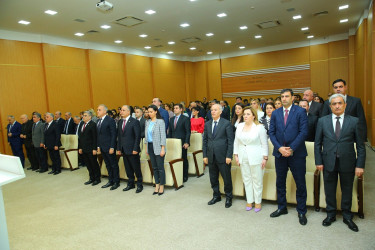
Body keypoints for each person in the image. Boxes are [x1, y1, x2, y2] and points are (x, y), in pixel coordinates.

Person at [315, 93, 366, 232]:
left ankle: (347, 216)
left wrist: (360, 165)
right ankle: (330, 214)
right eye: (334, 104)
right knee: (329, 190)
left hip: (348, 162)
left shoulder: (354, 121)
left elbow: (361, 146)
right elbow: (317, 143)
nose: (337, 106)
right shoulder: (323, 121)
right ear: (330, 106)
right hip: (328, 161)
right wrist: (318, 161)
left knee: (347, 190)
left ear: (345, 105)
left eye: (340, 103)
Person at [269, 89, 308, 225]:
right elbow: (271, 133)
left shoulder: (300, 112)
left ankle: (301, 211)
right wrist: (280, 148)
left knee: (300, 183)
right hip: (280, 153)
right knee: (280, 182)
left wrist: (291, 149)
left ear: (292, 98)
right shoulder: (275, 113)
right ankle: (282, 207)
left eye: (287, 96)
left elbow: (303, 132)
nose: (284, 99)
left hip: (296, 153)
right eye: (282, 97)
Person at [234, 107, 268, 212]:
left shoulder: (259, 127)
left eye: (248, 114)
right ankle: (249, 200)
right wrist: (236, 155)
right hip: (242, 156)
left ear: (253, 116)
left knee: (257, 180)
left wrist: (265, 158)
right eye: (244, 114)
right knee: (246, 179)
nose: (245, 116)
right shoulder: (239, 126)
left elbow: (264, 144)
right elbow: (236, 142)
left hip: (256, 157)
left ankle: (258, 201)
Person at [203, 104, 234, 208]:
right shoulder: (207, 124)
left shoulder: (226, 123)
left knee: (226, 178)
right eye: (211, 110)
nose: (213, 112)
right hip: (211, 156)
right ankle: (216, 196)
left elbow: (230, 141)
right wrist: (205, 155)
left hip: (223, 156)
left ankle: (229, 197)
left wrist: (229, 155)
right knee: (213, 177)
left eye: (215, 110)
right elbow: (205, 141)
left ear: (220, 112)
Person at [116, 105, 143, 193]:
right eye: (121, 110)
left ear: (128, 112)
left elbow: (137, 136)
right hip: (124, 149)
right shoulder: (120, 122)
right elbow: (119, 136)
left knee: (136, 168)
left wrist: (135, 148)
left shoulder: (134, 122)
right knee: (128, 168)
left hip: (133, 149)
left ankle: (139, 184)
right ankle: (131, 183)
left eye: (123, 110)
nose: (121, 112)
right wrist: (119, 148)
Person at [97, 104, 120, 190]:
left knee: (113, 164)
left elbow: (113, 134)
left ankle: (116, 181)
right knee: (107, 164)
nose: (97, 111)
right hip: (102, 147)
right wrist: (98, 146)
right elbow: (98, 135)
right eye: (97, 110)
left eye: (99, 110)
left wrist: (112, 147)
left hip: (109, 147)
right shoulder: (99, 121)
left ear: (105, 111)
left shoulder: (110, 120)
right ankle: (111, 180)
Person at [145, 105, 167, 195]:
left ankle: (162, 186)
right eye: (148, 112)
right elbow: (146, 137)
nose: (149, 113)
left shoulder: (160, 122)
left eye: (151, 112)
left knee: (160, 168)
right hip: (150, 146)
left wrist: (163, 149)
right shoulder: (148, 122)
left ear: (155, 112)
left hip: (158, 146)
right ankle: (156, 184)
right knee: (154, 167)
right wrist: (146, 148)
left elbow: (163, 136)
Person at [168, 104, 191, 182]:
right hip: (174, 142)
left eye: (177, 108)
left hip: (182, 142)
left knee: (183, 159)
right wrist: (169, 141)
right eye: (174, 108)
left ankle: (185, 175)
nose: (175, 109)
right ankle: (177, 174)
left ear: (181, 109)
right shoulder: (171, 119)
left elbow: (188, 132)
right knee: (175, 159)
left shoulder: (185, 119)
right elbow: (170, 131)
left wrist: (187, 142)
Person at [78, 110, 101, 186]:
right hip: (84, 148)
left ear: (90, 117)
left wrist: (94, 149)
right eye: (83, 116)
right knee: (88, 164)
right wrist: (80, 147)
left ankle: (97, 178)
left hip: (91, 148)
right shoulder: (82, 124)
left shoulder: (93, 124)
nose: (83, 117)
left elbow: (95, 138)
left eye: (85, 116)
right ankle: (91, 178)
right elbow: (80, 137)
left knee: (93, 164)